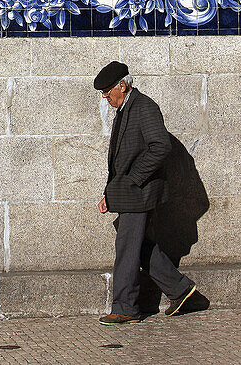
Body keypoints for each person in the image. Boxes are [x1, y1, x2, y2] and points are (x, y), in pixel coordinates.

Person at [94, 61, 205, 325]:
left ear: (123, 85)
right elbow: (121, 158)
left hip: (139, 193)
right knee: (140, 247)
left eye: (108, 91)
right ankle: (183, 292)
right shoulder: (125, 109)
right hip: (129, 192)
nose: (105, 97)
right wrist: (110, 193)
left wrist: (133, 180)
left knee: (126, 248)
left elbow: (160, 147)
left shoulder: (144, 107)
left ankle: (125, 307)